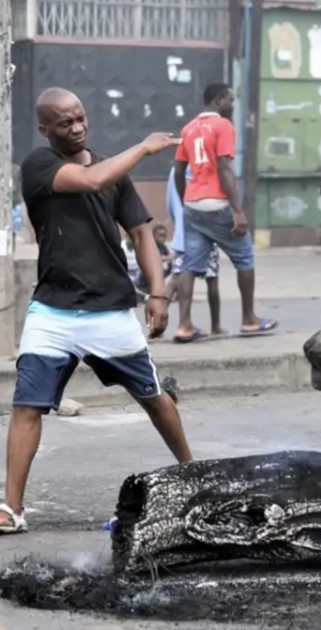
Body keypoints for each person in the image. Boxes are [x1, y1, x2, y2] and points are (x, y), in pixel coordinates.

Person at [2, 87, 194, 534]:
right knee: (26, 406)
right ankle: (11, 509)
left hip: (110, 309)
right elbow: (89, 181)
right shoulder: (39, 166)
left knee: (154, 398)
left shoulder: (113, 171)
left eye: (80, 118)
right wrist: (145, 147)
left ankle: (192, 473)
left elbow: (142, 234)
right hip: (53, 309)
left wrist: (158, 293)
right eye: (65, 122)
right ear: (45, 129)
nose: (76, 127)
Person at [172, 82, 278, 343]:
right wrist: (238, 211)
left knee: (190, 265)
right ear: (218, 101)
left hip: (192, 205)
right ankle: (249, 319)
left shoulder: (188, 128)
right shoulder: (223, 126)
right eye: (230, 99)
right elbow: (224, 169)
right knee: (244, 257)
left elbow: (178, 171)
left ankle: (184, 325)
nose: (233, 104)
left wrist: (186, 198)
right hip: (217, 204)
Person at [165, 164, 224, 336]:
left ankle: (155, 326)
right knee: (212, 279)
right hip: (203, 231)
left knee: (175, 279)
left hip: (183, 233)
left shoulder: (175, 169)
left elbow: (169, 202)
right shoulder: (204, 165)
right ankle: (214, 326)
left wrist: (179, 226)